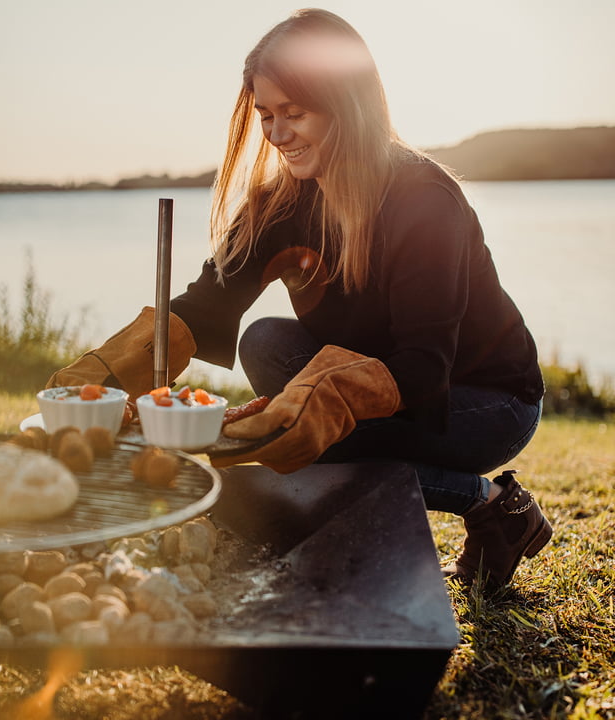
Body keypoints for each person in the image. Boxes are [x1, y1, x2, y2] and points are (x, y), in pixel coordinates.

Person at [48, 8, 552, 587]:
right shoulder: (281, 206)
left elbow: (423, 367)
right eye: (265, 114)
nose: (276, 134)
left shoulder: (424, 201)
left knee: (310, 445)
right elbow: (204, 304)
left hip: (483, 398)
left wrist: (315, 404)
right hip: (387, 384)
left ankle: (492, 503)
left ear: (348, 104)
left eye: (294, 113)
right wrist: (95, 392)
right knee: (265, 342)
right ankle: (333, 466)